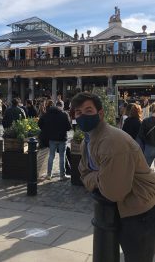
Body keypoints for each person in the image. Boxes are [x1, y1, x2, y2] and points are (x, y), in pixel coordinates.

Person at [71, 92, 155, 262]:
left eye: (88, 110)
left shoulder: (112, 142)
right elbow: (83, 172)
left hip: (139, 211)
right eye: (78, 112)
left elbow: (113, 192)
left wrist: (96, 178)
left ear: (100, 113)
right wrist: (100, 177)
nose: (82, 115)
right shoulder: (87, 140)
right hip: (119, 208)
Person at [38, 101, 72, 180]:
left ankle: (49, 174)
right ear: (62, 107)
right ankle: (62, 175)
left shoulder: (48, 114)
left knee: (51, 156)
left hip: (52, 138)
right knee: (62, 157)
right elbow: (69, 127)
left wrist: (47, 129)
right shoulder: (64, 114)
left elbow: (40, 123)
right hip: (62, 138)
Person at [138, 102, 155, 167]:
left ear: (151, 110)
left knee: (146, 169)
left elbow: (141, 136)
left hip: (148, 147)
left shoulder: (146, 121)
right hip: (149, 145)